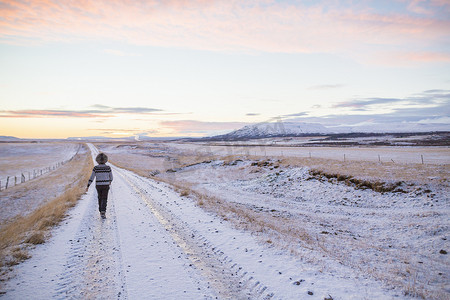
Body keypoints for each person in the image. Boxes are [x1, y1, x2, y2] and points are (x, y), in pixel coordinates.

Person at [87, 153, 113, 218]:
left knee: (100, 197)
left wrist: (88, 185)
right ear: (105, 160)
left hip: (98, 185)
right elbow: (111, 177)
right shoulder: (108, 168)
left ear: (97, 160)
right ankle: (103, 212)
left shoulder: (95, 168)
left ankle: (100, 210)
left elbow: (92, 177)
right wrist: (109, 181)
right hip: (106, 185)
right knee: (105, 198)